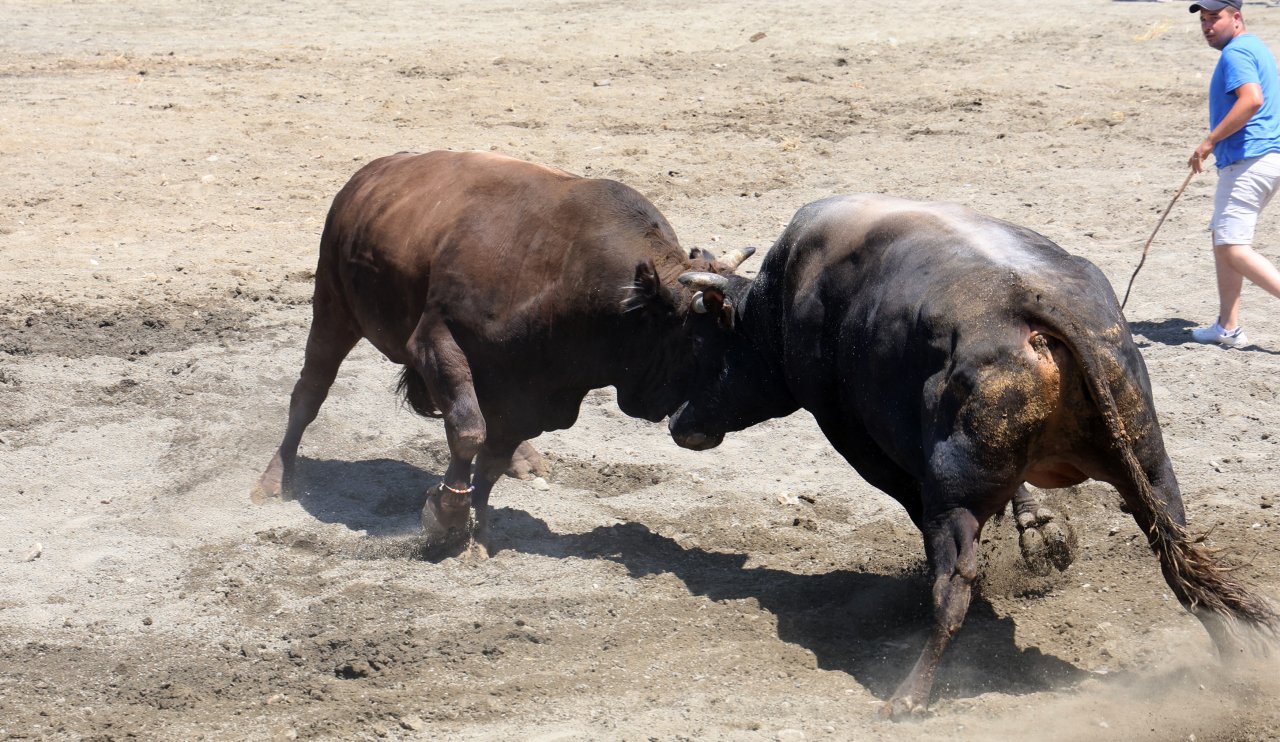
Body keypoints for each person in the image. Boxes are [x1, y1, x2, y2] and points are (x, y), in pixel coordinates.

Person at [1187, 0, 1280, 347]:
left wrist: (1209, 141)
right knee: (1222, 239)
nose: (1208, 26)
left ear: (1236, 17)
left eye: (1216, 18)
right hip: (1265, 159)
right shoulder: (1256, 46)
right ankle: (1227, 326)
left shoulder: (1236, 53)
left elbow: (1252, 99)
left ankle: (1229, 327)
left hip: (1249, 162)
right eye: (1204, 20)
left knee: (1231, 247)